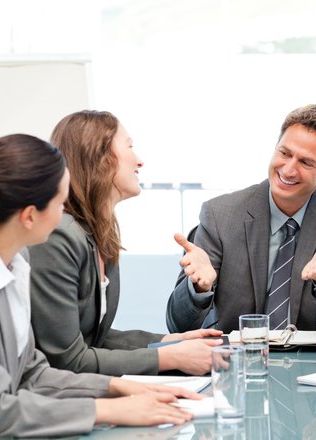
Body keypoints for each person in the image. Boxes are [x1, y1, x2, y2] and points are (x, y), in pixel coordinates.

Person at [0, 134, 200, 438]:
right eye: (60, 204)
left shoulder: (15, 264)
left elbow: (33, 373)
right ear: (30, 216)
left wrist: (120, 387)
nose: (64, 214)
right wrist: (106, 410)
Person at [29, 110, 221, 376]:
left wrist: (168, 342)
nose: (139, 161)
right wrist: (167, 357)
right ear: (100, 157)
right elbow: (65, 360)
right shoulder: (59, 236)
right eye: (130, 146)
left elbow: (93, 339)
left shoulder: (97, 237)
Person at [166, 104, 316, 334]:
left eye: (305, 162)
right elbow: (178, 326)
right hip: (238, 362)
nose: (288, 170)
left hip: (311, 365)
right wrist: (198, 288)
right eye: (284, 153)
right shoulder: (220, 215)